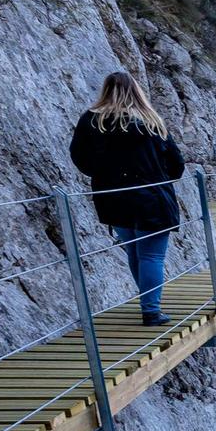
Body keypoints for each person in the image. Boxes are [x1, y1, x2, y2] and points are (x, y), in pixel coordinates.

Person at [69, 71, 184, 326]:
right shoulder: (151, 121)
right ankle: (151, 311)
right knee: (151, 256)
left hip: (113, 197)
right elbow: (176, 164)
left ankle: (148, 304)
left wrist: (101, 175)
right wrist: (159, 177)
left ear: (105, 90)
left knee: (134, 251)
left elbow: (79, 156)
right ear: (136, 91)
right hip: (151, 197)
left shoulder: (91, 120)